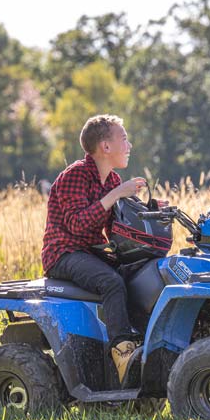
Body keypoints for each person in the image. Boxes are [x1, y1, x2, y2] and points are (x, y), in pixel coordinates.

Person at [41, 114, 147, 385]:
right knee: (110, 282)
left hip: (90, 253)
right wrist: (116, 194)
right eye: (124, 139)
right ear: (105, 146)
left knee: (138, 275)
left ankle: (142, 342)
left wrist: (149, 212)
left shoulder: (112, 180)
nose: (129, 145)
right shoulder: (75, 175)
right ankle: (122, 352)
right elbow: (77, 224)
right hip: (63, 253)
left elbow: (115, 228)